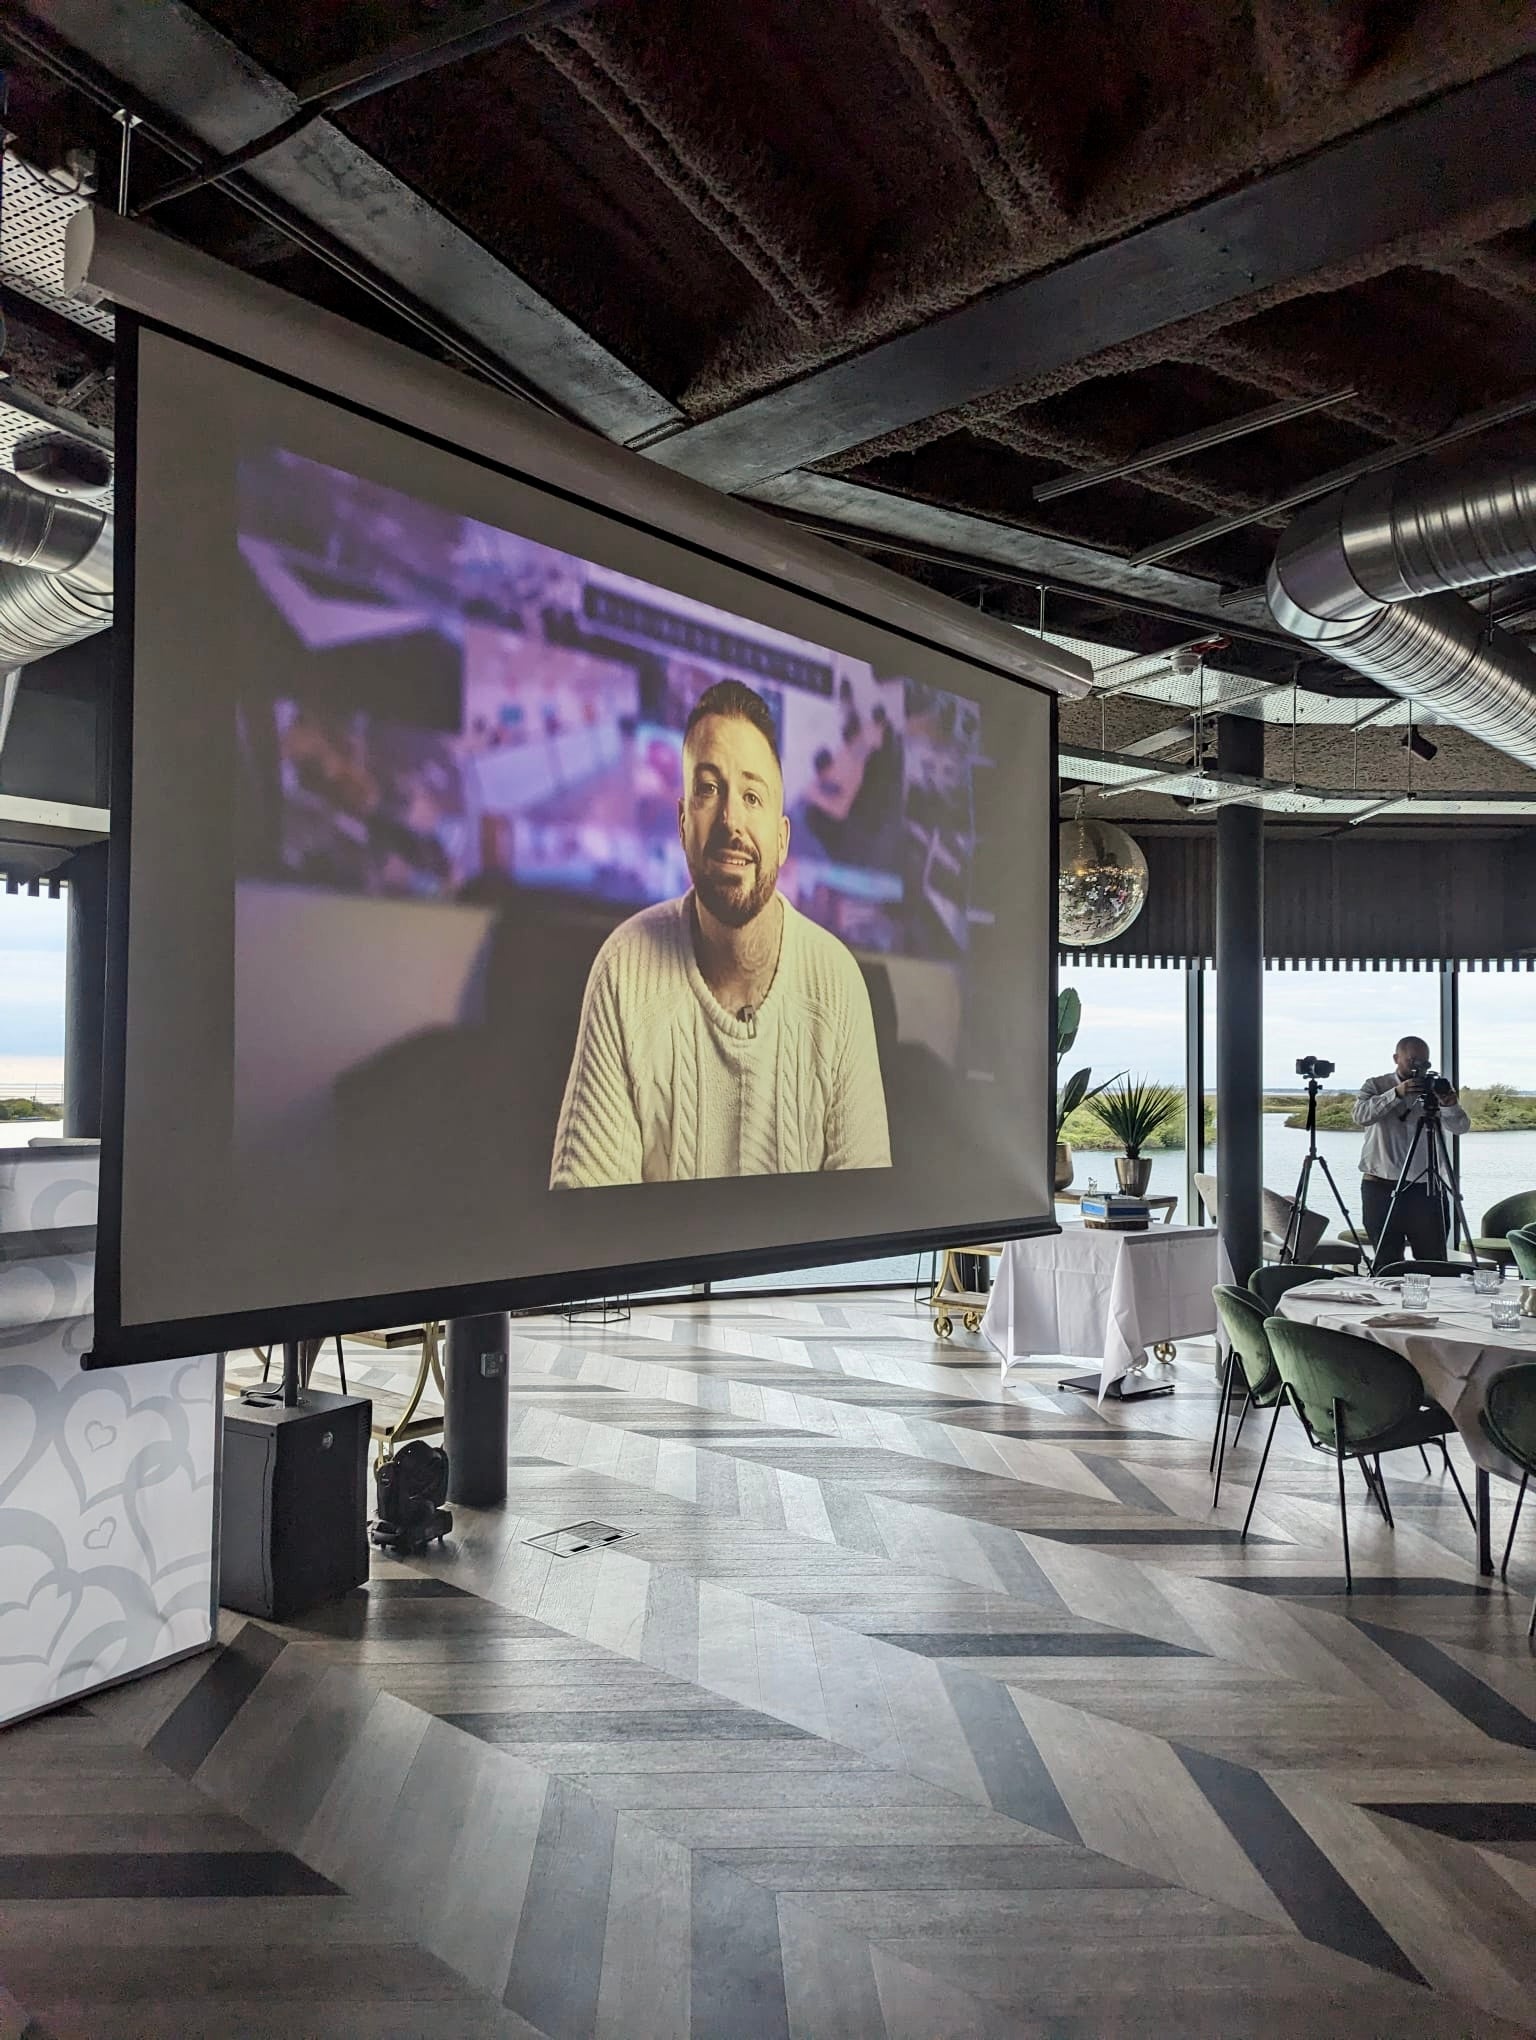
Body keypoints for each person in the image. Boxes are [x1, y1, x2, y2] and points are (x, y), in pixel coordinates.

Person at [550, 679, 892, 1187]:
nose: (731, 818)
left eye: (753, 796)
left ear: (781, 840)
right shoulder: (623, 968)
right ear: (683, 822)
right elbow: (581, 1224)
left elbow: (867, 1223)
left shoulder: (836, 983)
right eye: (709, 789)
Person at [1352, 1036, 1470, 1265]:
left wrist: (1449, 1105)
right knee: (1387, 1262)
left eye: (1424, 1063)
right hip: (1381, 1186)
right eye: (1412, 1060)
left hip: (1426, 1189)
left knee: (1434, 1262)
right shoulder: (1376, 1086)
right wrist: (1396, 1093)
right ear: (1396, 1058)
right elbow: (1361, 1116)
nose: (1419, 1068)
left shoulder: (1434, 1088)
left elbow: (1460, 1127)